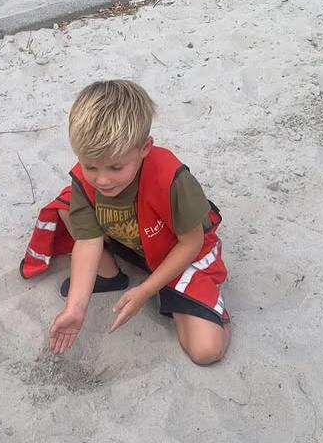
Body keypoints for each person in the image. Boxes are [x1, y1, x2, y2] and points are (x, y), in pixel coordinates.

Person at [20, 80, 230, 365]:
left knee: (206, 351)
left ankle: (196, 306)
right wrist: (76, 308)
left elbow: (192, 242)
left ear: (145, 147)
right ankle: (108, 275)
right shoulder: (88, 182)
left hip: (176, 250)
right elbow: (88, 240)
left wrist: (146, 290)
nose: (102, 179)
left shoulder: (172, 179)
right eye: (91, 166)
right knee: (67, 205)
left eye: (116, 167)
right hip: (133, 240)